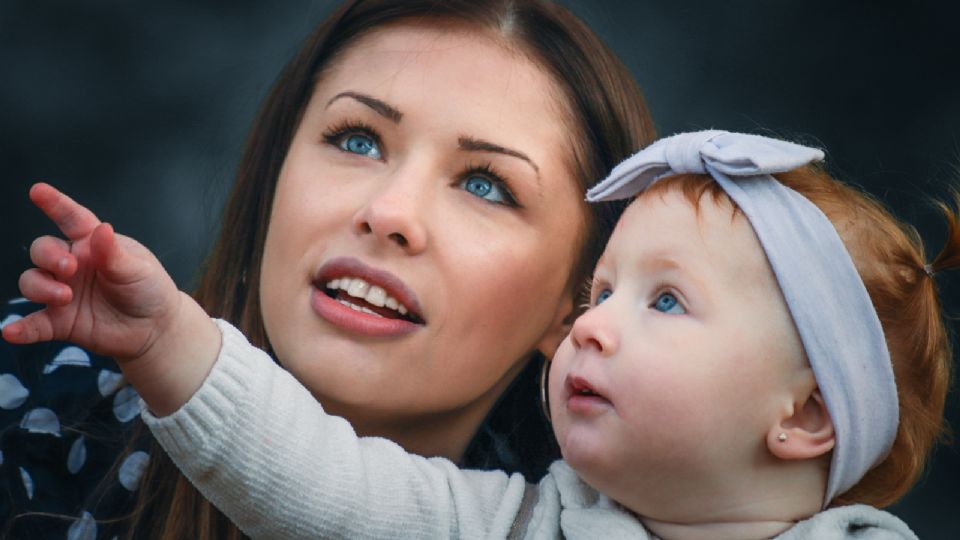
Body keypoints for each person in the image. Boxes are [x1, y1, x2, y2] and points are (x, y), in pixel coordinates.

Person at [7, 130, 951, 539]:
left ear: (806, 415)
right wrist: (169, 338)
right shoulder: (516, 522)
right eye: (599, 293)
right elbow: (317, 479)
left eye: (664, 302)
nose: (589, 331)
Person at [0, 1, 655, 538]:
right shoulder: (35, 403)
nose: (388, 212)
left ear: (581, 305)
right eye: (358, 140)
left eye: (484, 184)